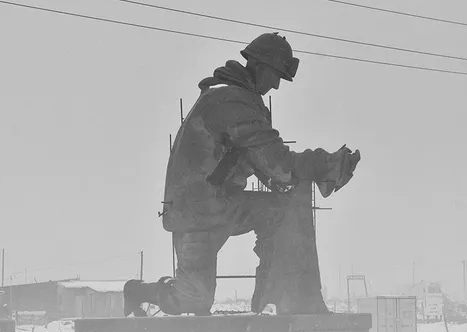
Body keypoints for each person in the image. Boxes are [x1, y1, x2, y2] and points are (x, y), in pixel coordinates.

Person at [124, 32, 361, 316]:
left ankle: (271, 293)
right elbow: (278, 165)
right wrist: (324, 164)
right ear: (260, 66)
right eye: (276, 75)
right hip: (197, 211)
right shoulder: (231, 101)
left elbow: (269, 171)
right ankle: (137, 291)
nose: (275, 85)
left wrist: (308, 174)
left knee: (279, 209)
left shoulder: (238, 98)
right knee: (192, 300)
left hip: (222, 204)